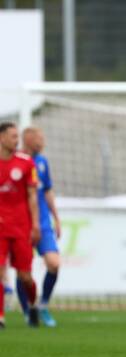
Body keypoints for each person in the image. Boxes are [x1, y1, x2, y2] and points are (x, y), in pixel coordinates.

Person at [19, 128, 61, 327]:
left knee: (54, 263)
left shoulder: (42, 162)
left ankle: (43, 304)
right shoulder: (16, 162)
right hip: (21, 223)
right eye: (40, 138)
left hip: (43, 223)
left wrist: (56, 218)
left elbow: (47, 192)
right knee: (23, 270)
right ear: (28, 140)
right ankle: (29, 311)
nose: (43, 141)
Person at [0, 122, 41, 328]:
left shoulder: (26, 163)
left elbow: (32, 197)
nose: (17, 141)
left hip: (21, 226)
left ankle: (33, 305)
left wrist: (35, 225)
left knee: (25, 276)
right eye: (13, 137)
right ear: (2, 138)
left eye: (18, 136)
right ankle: (0, 317)